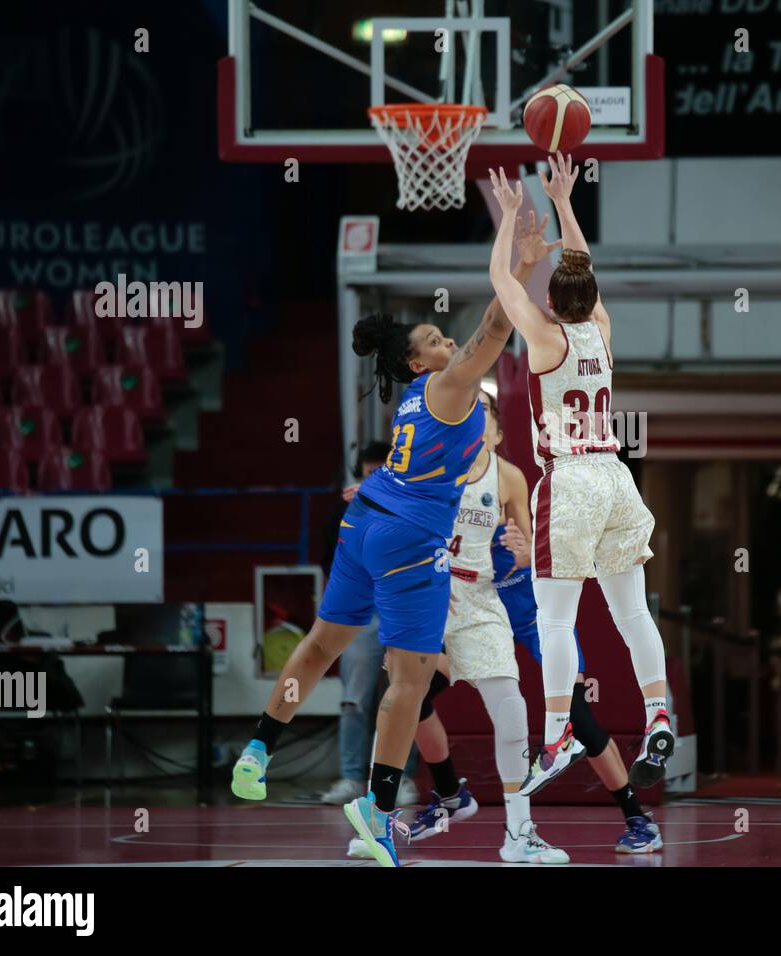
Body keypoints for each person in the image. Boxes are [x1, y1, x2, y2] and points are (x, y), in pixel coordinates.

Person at [230, 211, 557, 869]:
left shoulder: (411, 393)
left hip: (364, 519)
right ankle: (378, 812)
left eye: (444, 336)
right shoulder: (447, 384)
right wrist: (520, 264)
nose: (448, 342)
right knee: (405, 681)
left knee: (324, 643)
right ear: (420, 360)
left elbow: (483, 336)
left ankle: (259, 747)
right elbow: (496, 327)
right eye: (437, 338)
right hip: (409, 536)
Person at [347, 392, 662, 857]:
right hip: (444, 595)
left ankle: (634, 816)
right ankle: (440, 796)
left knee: (575, 713)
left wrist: (522, 551)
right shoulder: (431, 466)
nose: (474, 423)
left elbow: (541, 555)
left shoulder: (511, 478)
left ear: (496, 433)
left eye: (485, 417)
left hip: (516, 599)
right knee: (406, 696)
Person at [486, 156, 674, 796]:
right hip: (617, 478)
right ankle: (657, 715)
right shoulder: (601, 332)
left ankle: (558, 733)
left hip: (568, 483)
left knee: (555, 622)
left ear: (549, 300)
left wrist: (513, 218)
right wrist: (565, 203)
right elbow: (582, 270)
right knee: (632, 615)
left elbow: (498, 281)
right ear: (590, 298)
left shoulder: (544, 337)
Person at [317, 441, 420, 809]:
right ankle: (351, 776)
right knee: (354, 700)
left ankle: (403, 777)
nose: (373, 476)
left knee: (404, 695)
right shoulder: (345, 511)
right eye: (368, 470)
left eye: (382, 469)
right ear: (359, 471)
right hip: (362, 611)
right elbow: (331, 567)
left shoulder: (415, 504)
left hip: (403, 606)